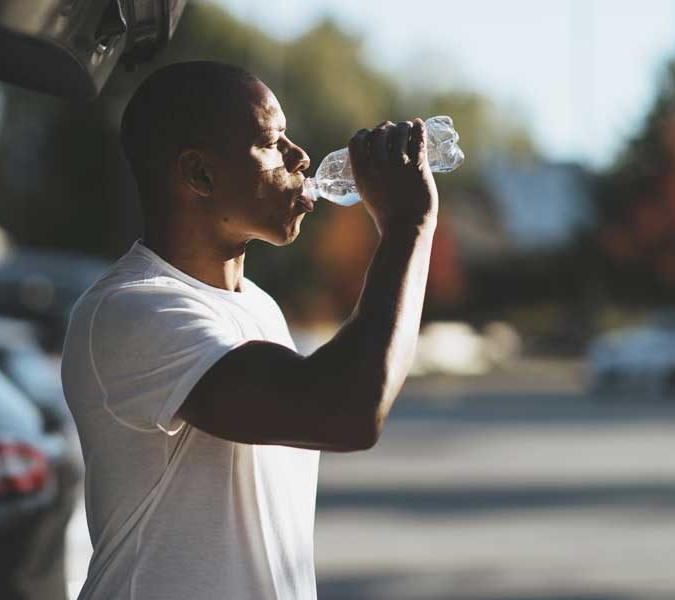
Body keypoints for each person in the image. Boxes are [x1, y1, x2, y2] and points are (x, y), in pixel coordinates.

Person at [60, 60, 438, 599]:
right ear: (200, 175)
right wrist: (408, 227)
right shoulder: (131, 311)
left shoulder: (257, 306)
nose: (300, 157)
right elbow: (348, 410)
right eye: (271, 141)